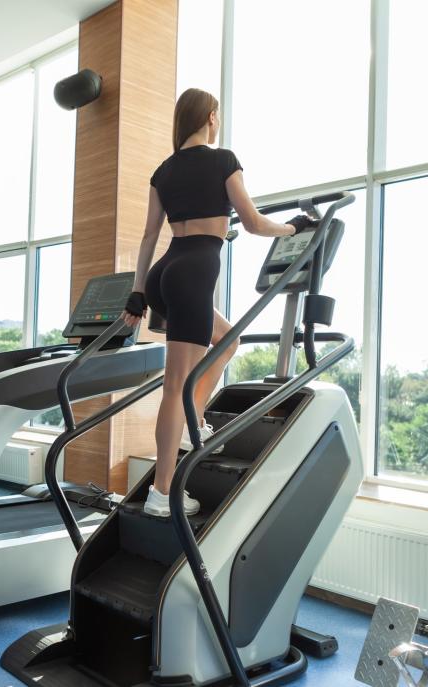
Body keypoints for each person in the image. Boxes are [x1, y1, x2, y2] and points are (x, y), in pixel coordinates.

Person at [122, 88, 316, 517]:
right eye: (219, 115)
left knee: (228, 340)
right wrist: (293, 227)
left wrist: (137, 291)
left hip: (164, 272)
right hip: (194, 272)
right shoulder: (223, 160)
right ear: (211, 117)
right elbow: (251, 222)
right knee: (175, 386)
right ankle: (161, 492)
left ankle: (194, 423)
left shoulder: (163, 171)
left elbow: (149, 237)